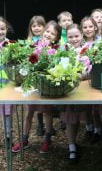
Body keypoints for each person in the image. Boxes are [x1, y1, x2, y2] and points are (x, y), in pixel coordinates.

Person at [12, 20, 61, 154]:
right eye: (47, 31)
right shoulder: (34, 45)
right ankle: (24, 139)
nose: (49, 34)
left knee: (47, 112)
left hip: (46, 86)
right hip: (33, 85)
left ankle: (47, 139)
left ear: (57, 37)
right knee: (29, 113)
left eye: (53, 33)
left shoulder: (56, 50)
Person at [60, 23, 88, 163]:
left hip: (84, 90)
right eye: (71, 36)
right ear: (67, 37)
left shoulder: (87, 49)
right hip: (68, 89)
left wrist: (80, 74)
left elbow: (88, 71)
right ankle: (71, 147)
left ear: (81, 35)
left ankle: (78, 141)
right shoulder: (63, 49)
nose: (74, 39)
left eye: (76, 36)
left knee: (78, 116)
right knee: (70, 116)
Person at [80, 16, 101, 143]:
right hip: (83, 79)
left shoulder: (100, 42)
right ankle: (89, 128)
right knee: (86, 106)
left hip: (96, 78)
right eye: (85, 27)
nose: (88, 29)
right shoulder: (79, 42)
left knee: (96, 107)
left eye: (90, 26)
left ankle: (98, 131)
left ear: (95, 27)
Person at [27, 15, 46, 136]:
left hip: (43, 72)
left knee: (43, 100)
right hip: (33, 73)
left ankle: (45, 125)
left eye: (39, 25)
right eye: (34, 26)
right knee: (33, 100)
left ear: (44, 27)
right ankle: (39, 124)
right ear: (31, 28)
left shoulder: (47, 40)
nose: (37, 28)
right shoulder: (29, 41)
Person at [0, 16, 14, 148]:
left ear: (6, 29)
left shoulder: (9, 45)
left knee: (7, 111)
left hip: (6, 84)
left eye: (2, 29)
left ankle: (8, 135)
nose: (0, 32)